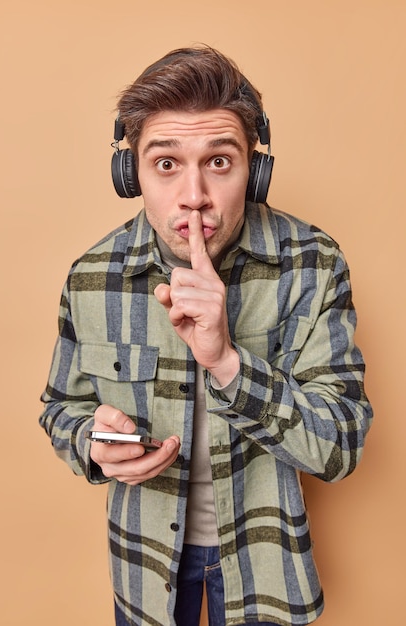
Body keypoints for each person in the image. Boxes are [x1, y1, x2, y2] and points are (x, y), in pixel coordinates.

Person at [39, 46, 372, 626]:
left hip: (266, 563)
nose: (193, 194)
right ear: (130, 174)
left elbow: (340, 447)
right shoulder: (92, 277)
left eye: (220, 161)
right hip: (144, 562)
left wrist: (227, 363)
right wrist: (92, 440)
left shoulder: (313, 264)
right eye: (165, 164)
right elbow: (61, 409)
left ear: (256, 170)